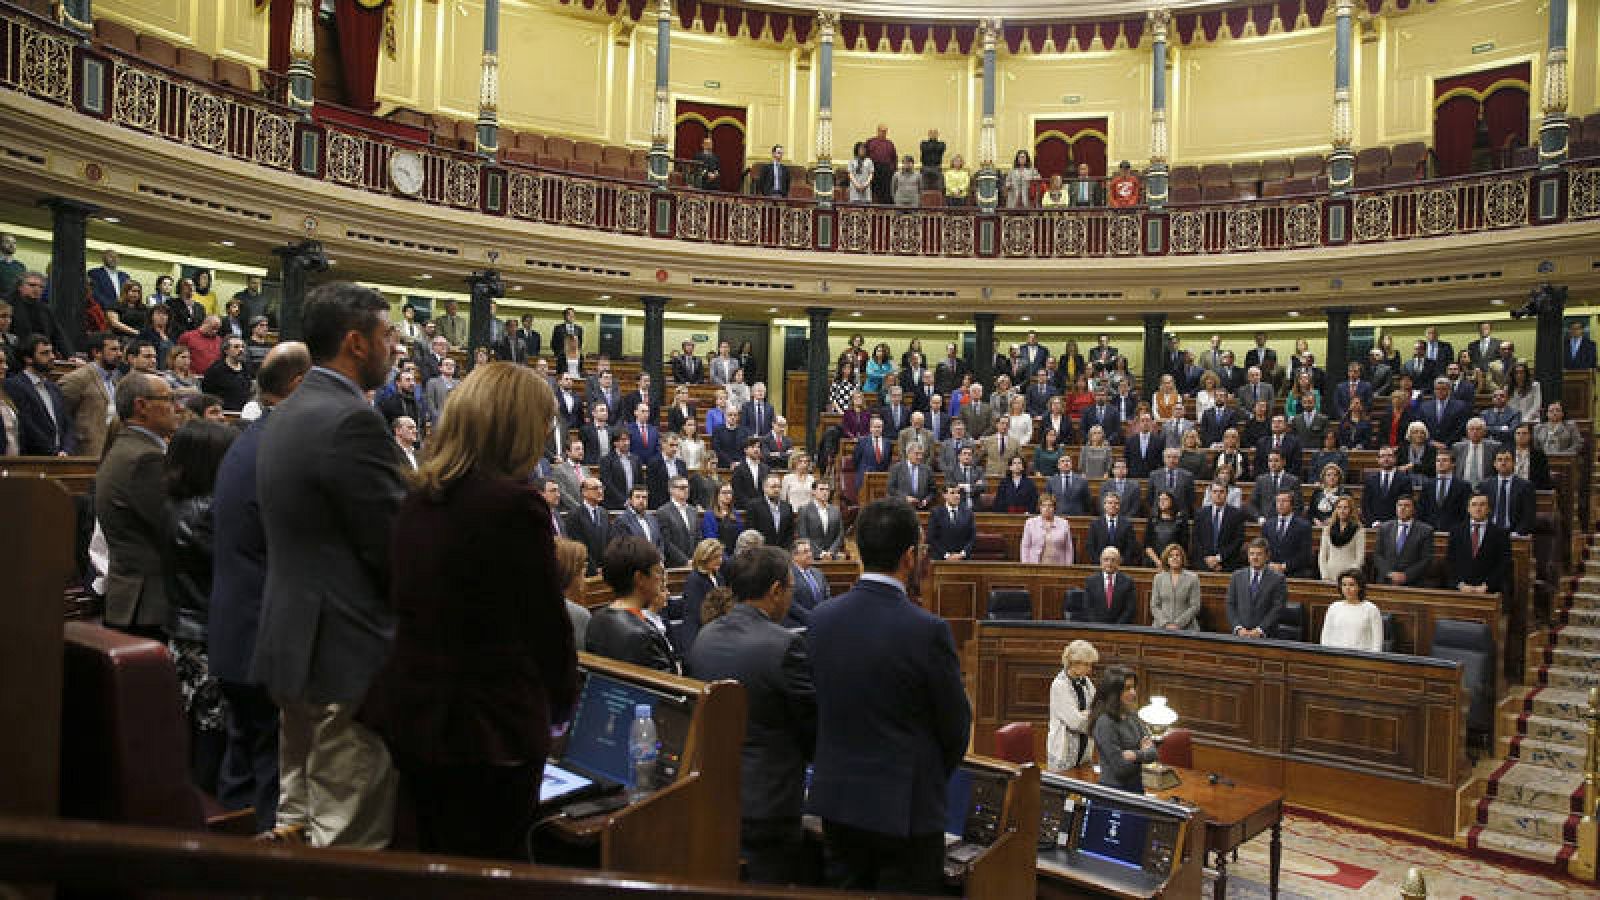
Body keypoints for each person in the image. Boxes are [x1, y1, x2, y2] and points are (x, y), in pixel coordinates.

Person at [364, 363, 577, 860]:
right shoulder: (515, 506)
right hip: (487, 731)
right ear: (514, 425)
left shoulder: (420, 497)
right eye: (543, 420)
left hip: (414, 717)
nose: (548, 431)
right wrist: (562, 707)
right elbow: (545, 628)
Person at [252, 283, 404, 848]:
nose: (396, 347)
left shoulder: (288, 412)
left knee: (295, 826)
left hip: (294, 646)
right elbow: (393, 549)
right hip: (347, 658)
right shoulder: (351, 422)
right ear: (356, 344)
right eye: (389, 335)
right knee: (347, 844)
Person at [807, 499, 970, 893]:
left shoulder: (820, 619)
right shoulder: (928, 631)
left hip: (839, 804)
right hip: (906, 811)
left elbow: (815, 709)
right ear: (910, 556)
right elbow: (956, 729)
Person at [208, 340, 311, 834]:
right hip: (264, 642)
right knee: (273, 785)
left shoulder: (247, 439)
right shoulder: (282, 446)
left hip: (235, 634)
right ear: (297, 386)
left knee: (242, 773)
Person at [685, 545, 818, 886]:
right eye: (790, 588)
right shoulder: (784, 646)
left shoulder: (704, 636)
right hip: (770, 803)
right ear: (775, 591)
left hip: (713, 791)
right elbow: (812, 727)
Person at [96, 373, 180, 638]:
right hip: (148, 603)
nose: (175, 407)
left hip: (133, 597)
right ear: (141, 406)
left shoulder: (125, 448)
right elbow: (174, 527)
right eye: (168, 399)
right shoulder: (145, 458)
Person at [586, 535, 678, 672]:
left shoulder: (595, 620)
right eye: (658, 572)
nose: (662, 580)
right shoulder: (644, 637)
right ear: (640, 578)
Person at [1087, 666, 1157, 792]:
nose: (1133, 693)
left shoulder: (1133, 716)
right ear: (1113, 692)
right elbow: (1121, 768)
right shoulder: (1105, 723)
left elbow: (1153, 754)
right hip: (1114, 793)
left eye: (1133, 687)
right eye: (1127, 688)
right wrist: (1143, 753)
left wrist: (1134, 755)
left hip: (1136, 789)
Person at [1047, 640, 1099, 770]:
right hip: (1063, 751)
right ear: (1074, 663)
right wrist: (1088, 715)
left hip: (1084, 749)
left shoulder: (1085, 681)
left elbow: (1099, 708)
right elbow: (1075, 722)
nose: (1090, 669)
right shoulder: (1060, 685)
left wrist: (1086, 714)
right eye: (1086, 665)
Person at [1447, 494, 1509, 595]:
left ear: (1488, 509)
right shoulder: (1456, 531)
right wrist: (1460, 584)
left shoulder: (1500, 533)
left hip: (1489, 590)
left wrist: (1487, 585)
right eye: (1474, 505)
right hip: (1461, 589)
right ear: (1468, 509)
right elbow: (1450, 561)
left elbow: (1503, 564)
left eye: (1482, 505)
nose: (1478, 508)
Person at [1227, 539, 1286, 638]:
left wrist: (1260, 629)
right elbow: (1230, 604)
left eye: (1259, 554)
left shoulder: (1278, 579)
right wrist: (1238, 628)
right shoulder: (1236, 576)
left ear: (1267, 556)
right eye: (1251, 554)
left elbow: (1277, 608)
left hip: (1266, 637)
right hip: (1240, 635)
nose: (1255, 557)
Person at [1373, 495, 1433, 587]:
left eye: (1407, 506)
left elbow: (1426, 559)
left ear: (1414, 509)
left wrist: (1406, 575)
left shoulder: (1425, 530)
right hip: (1386, 580)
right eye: (1399, 505)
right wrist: (1389, 573)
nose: (1402, 508)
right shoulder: (1384, 528)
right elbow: (1378, 555)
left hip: (1413, 582)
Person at [1321, 570, 1383, 652]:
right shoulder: (1334, 607)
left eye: (1351, 585)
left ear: (1359, 587)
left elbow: (1377, 643)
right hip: (1336, 656)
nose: (1347, 588)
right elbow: (1326, 637)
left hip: (1362, 658)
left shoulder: (1371, 609)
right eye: (1344, 585)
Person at [1150, 543, 1200, 631]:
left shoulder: (1192, 578)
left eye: (1177, 555)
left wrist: (1178, 624)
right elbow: (1154, 605)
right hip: (1161, 627)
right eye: (1171, 556)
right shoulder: (1158, 578)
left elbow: (1195, 606)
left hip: (1186, 628)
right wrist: (1165, 623)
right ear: (1167, 559)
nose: (1174, 558)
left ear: (1182, 558)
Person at [1081, 547, 1135, 625]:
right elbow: (1087, 607)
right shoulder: (1091, 581)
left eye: (1113, 560)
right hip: (1095, 628)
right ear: (1101, 561)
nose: (1109, 563)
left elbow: (1130, 609)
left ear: (1119, 562)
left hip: (1120, 629)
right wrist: (1097, 625)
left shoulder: (1127, 582)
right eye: (1106, 559)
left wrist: (1117, 626)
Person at [1318, 495, 1366, 582]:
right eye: (1339, 507)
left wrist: (1350, 576)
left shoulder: (1358, 529)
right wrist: (1325, 575)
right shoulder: (1328, 529)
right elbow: (1322, 556)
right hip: (1330, 575)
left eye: (1345, 508)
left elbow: (1360, 557)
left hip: (1350, 577)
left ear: (1350, 510)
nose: (1342, 511)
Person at [1021, 493, 1074, 564]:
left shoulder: (1064, 523)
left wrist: (1068, 567)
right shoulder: (1030, 523)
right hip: (1035, 565)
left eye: (1050, 506)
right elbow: (1025, 546)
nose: (1047, 509)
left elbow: (1068, 549)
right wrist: (1026, 565)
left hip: (1059, 565)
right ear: (1039, 508)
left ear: (1054, 508)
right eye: (1044, 506)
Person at [928, 483, 976, 560]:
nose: (956, 496)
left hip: (963, 559)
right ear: (945, 495)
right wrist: (947, 555)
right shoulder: (936, 513)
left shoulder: (968, 513)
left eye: (958, 493)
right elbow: (932, 538)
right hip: (941, 559)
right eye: (952, 493)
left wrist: (962, 554)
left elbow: (972, 537)